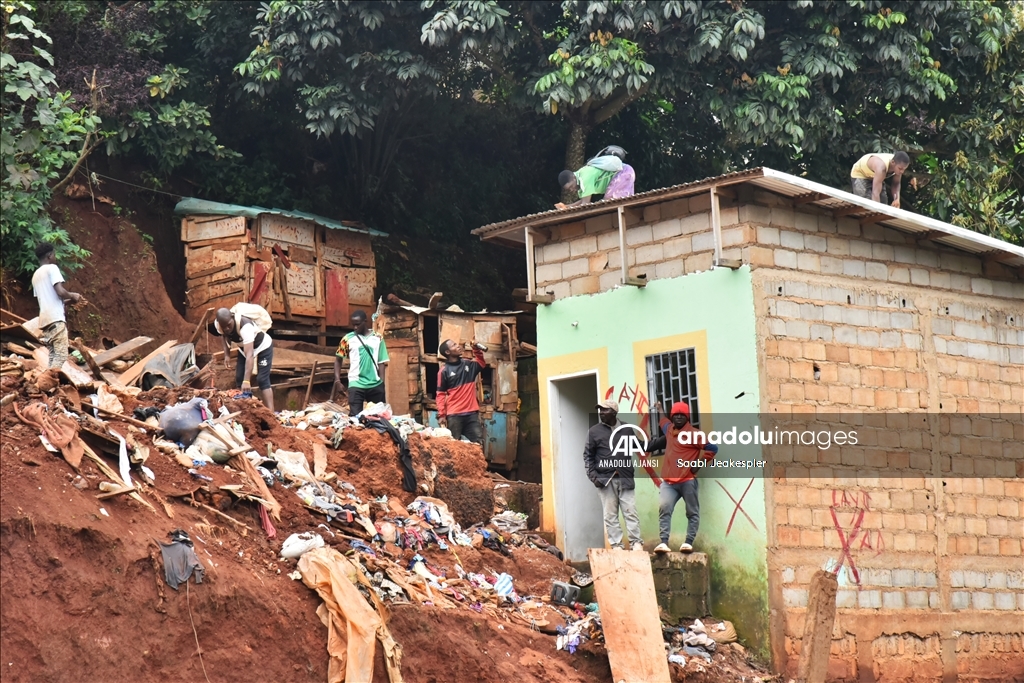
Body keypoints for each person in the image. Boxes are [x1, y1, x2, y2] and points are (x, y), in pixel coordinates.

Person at [648, 401, 718, 554]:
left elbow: (712, 448)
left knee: (692, 512)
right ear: (672, 416)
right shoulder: (669, 430)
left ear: (687, 417)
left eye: (682, 415)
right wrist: (660, 408)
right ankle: (664, 543)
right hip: (668, 482)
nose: (678, 417)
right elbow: (663, 420)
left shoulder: (694, 434)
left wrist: (699, 464)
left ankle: (688, 542)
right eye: (676, 415)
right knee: (664, 508)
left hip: (687, 480)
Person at [582, 400, 643, 551]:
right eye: (600, 410)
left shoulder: (626, 429)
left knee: (630, 511)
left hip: (625, 478)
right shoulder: (594, 432)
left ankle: (636, 543)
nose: (601, 412)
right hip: (605, 480)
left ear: (614, 413)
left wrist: (664, 439)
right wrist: (593, 477)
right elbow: (588, 456)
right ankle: (617, 545)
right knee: (610, 515)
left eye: (605, 410)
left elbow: (641, 446)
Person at [31, 242, 82, 369]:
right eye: (54, 254)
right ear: (49, 255)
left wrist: (70, 301)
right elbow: (60, 291)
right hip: (55, 320)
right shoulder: (52, 268)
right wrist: (72, 295)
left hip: (45, 322)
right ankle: (49, 377)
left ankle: (47, 378)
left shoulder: (35, 276)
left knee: (53, 356)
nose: (55, 257)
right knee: (61, 356)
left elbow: (49, 300)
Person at [214, 307, 274, 411]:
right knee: (239, 379)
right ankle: (242, 410)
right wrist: (227, 355)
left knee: (262, 380)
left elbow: (250, 355)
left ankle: (271, 413)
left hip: (262, 347)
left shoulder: (245, 326)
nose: (227, 329)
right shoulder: (219, 324)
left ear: (232, 317)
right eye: (224, 327)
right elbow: (223, 336)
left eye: (229, 325)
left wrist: (247, 380)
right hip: (243, 349)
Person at [334, 309, 389, 416]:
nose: (355, 327)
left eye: (358, 324)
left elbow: (381, 362)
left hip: (375, 384)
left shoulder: (378, 338)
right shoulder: (347, 339)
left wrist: (382, 383)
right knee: (355, 417)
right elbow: (338, 360)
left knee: (379, 417)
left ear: (365, 321)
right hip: (356, 384)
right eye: (353, 325)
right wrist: (337, 380)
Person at [436, 339, 486, 444]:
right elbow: (440, 394)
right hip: (454, 415)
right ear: (448, 352)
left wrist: (476, 349)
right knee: (454, 445)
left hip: (471, 414)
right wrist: (441, 415)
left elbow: (481, 364)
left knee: (478, 444)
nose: (458, 346)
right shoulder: (443, 371)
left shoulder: (467, 364)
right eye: (454, 345)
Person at [555, 145, 635, 208]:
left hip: (624, 173)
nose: (572, 190)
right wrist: (566, 207)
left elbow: (585, 204)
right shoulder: (580, 179)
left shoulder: (584, 178)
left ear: (573, 177)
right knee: (618, 204)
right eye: (569, 189)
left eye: (571, 186)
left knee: (610, 203)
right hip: (626, 172)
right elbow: (583, 201)